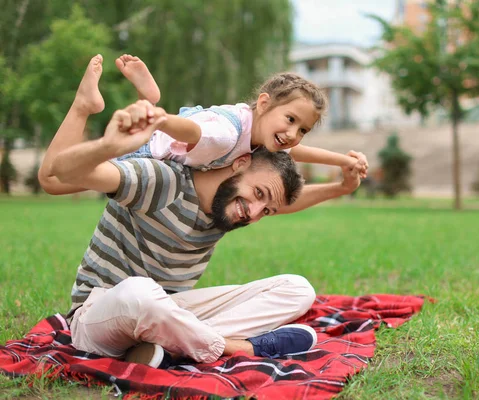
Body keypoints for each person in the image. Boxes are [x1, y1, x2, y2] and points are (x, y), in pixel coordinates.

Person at [38, 56, 363, 367]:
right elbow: (58, 173)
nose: (254, 213)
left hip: (164, 311)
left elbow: (287, 198)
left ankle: (166, 349)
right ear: (240, 163)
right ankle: (238, 348)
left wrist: (340, 186)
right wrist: (112, 145)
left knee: (297, 289)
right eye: (258, 195)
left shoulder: (233, 204)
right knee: (142, 291)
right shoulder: (163, 178)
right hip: (101, 314)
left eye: (267, 211)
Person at [114, 54, 368, 177]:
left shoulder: (259, 132)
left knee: (81, 174)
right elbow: (195, 131)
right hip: (146, 152)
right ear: (264, 103)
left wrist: (343, 161)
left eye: (303, 130)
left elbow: (299, 152)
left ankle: (147, 102)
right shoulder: (229, 133)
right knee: (76, 179)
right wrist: (160, 118)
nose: (293, 134)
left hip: (160, 151)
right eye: (291, 120)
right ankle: (149, 104)